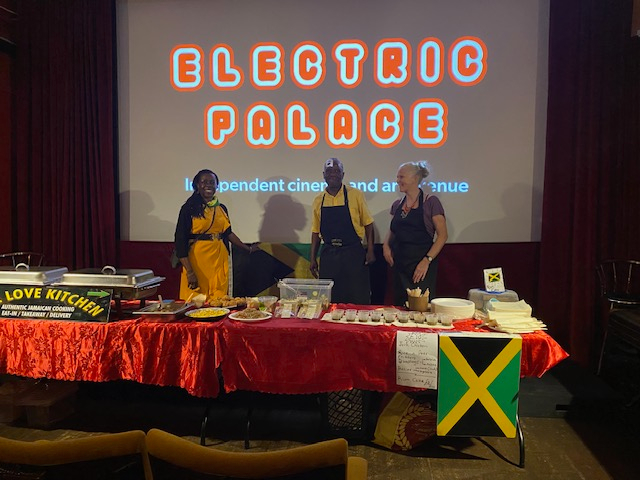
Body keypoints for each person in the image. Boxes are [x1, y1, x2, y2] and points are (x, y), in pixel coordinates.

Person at [174, 169, 256, 301]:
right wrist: (189, 272)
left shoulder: (221, 208)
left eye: (212, 182)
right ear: (197, 185)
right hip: (198, 259)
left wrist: (248, 248)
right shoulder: (189, 208)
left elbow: (228, 233)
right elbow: (180, 240)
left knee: (219, 298)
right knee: (197, 300)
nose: (209, 185)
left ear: (217, 186)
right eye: (204, 182)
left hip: (219, 257)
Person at [309, 158, 375, 304]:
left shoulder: (355, 195)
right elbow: (315, 232)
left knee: (357, 297)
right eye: (329, 171)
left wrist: (370, 250)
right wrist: (312, 258)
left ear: (343, 174)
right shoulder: (318, 200)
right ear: (323, 175)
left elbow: (368, 224)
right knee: (330, 300)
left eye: (337, 171)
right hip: (329, 256)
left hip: (353, 253)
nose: (333, 174)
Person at [383, 161, 448, 306]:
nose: (398, 181)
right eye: (397, 177)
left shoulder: (431, 202)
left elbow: (442, 236)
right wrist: (386, 246)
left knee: (420, 308)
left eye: (401, 177)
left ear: (415, 178)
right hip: (400, 264)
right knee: (400, 306)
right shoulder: (397, 205)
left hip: (421, 265)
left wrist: (426, 261)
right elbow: (392, 230)